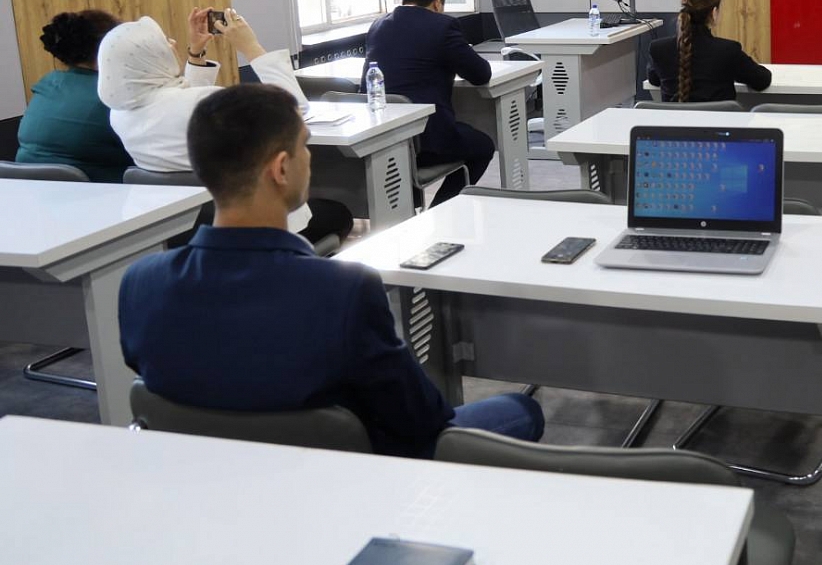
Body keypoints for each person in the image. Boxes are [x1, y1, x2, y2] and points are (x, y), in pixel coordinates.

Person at [118, 85, 543, 457]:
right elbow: (421, 421)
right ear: (281, 169)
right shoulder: (344, 290)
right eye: (305, 146)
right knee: (520, 410)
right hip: (350, 473)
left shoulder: (140, 283)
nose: (310, 159)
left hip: (212, 475)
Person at [96, 8, 351, 242]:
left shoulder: (120, 116)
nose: (172, 42)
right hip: (260, 227)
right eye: (163, 42)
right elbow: (292, 112)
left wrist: (196, 54)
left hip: (188, 232)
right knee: (338, 213)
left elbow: (188, 112)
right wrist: (251, 47)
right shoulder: (200, 103)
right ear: (151, 59)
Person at [363, 0, 493, 205]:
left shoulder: (378, 25)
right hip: (428, 140)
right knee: (483, 146)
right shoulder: (443, 26)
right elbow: (480, 74)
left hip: (384, 138)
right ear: (437, 2)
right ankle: (441, 208)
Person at [15, 10, 133, 181]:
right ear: (111, 47)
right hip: (99, 193)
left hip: (27, 191)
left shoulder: (49, 83)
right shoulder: (111, 93)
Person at [647, 0, 771, 102]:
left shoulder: (658, 49)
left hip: (671, 116)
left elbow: (654, 79)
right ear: (714, 12)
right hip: (719, 116)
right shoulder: (728, 51)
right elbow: (762, 80)